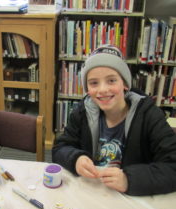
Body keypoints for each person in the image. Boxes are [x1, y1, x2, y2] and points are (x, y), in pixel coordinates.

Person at [52, 44, 176, 196]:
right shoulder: (81, 112)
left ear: (124, 84)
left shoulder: (149, 115)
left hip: (132, 199)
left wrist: (129, 179)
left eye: (111, 80)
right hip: (92, 193)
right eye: (94, 83)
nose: (103, 89)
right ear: (87, 89)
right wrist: (75, 159)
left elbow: (172, 166)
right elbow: (60, 148)